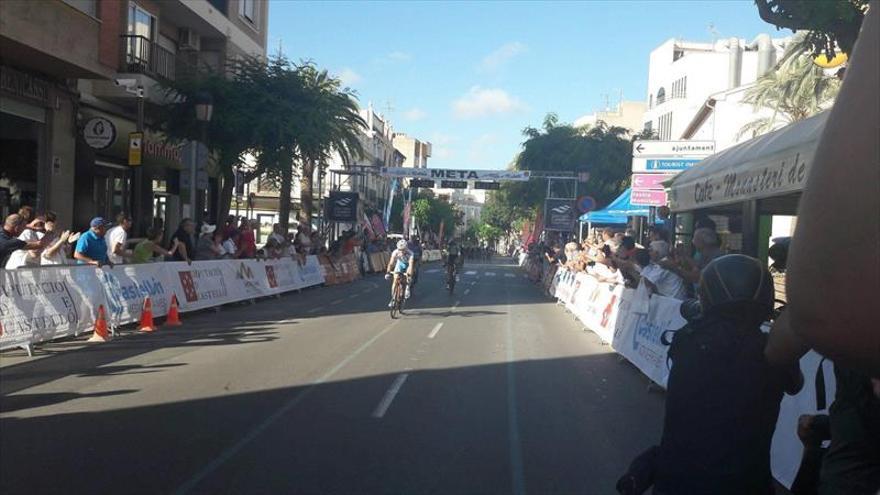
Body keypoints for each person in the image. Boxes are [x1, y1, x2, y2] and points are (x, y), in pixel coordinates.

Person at [621, 255, 802, 495]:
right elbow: (795, 383)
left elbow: (695, 313)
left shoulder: (689, 340)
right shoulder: (770, 351)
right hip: (747, 481)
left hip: (678, 479)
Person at [385, 239, 414, 307]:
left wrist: (409, 275)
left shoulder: (410, 253)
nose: (401, 251)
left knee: (409, 275)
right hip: (400, 263)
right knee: (395, 280)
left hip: (407, 264)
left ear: (406, 248)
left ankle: (407, 287)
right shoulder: (395, 252)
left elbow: (410, 266)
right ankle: (393, 299)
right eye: (399, 249)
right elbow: (391, 263)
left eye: (403, 250)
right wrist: (388, 272)